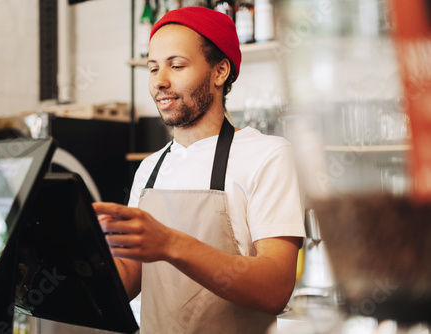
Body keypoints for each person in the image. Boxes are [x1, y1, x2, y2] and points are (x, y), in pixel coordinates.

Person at [92, 6, 305, 333]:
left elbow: (275, 289)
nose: (160, 82)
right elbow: (129, 282)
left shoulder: (267, 155)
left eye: (176, 65)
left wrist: (169, 244)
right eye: (152, 69)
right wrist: (77, 254)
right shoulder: (149, 169)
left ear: (220, 72)